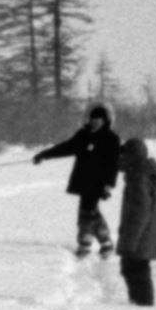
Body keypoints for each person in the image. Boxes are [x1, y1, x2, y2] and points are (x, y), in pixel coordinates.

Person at [32, 104, 123, 257]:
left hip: (98, 182)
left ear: (105, 120)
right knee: (91, 211)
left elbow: (112, 165)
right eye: (93, 118)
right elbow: (67, 147)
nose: (95, 121)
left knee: (87, 211)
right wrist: (44, 155)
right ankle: (105, 242)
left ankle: (85, 244)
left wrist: (108, 185)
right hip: (83, 180)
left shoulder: (111, 139)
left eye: (98, 119)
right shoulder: (84, 134)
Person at [114, 136, 156, 306]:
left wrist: (130, 241)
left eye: (123, 155)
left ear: (131, 156)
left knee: (134, 272)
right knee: (138, 271)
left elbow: (140, 212)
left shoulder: (138, 177)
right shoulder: (150, 173)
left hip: (140, 236)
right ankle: (141, 305)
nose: (119, 159)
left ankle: (142, 309)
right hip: (148, 234)